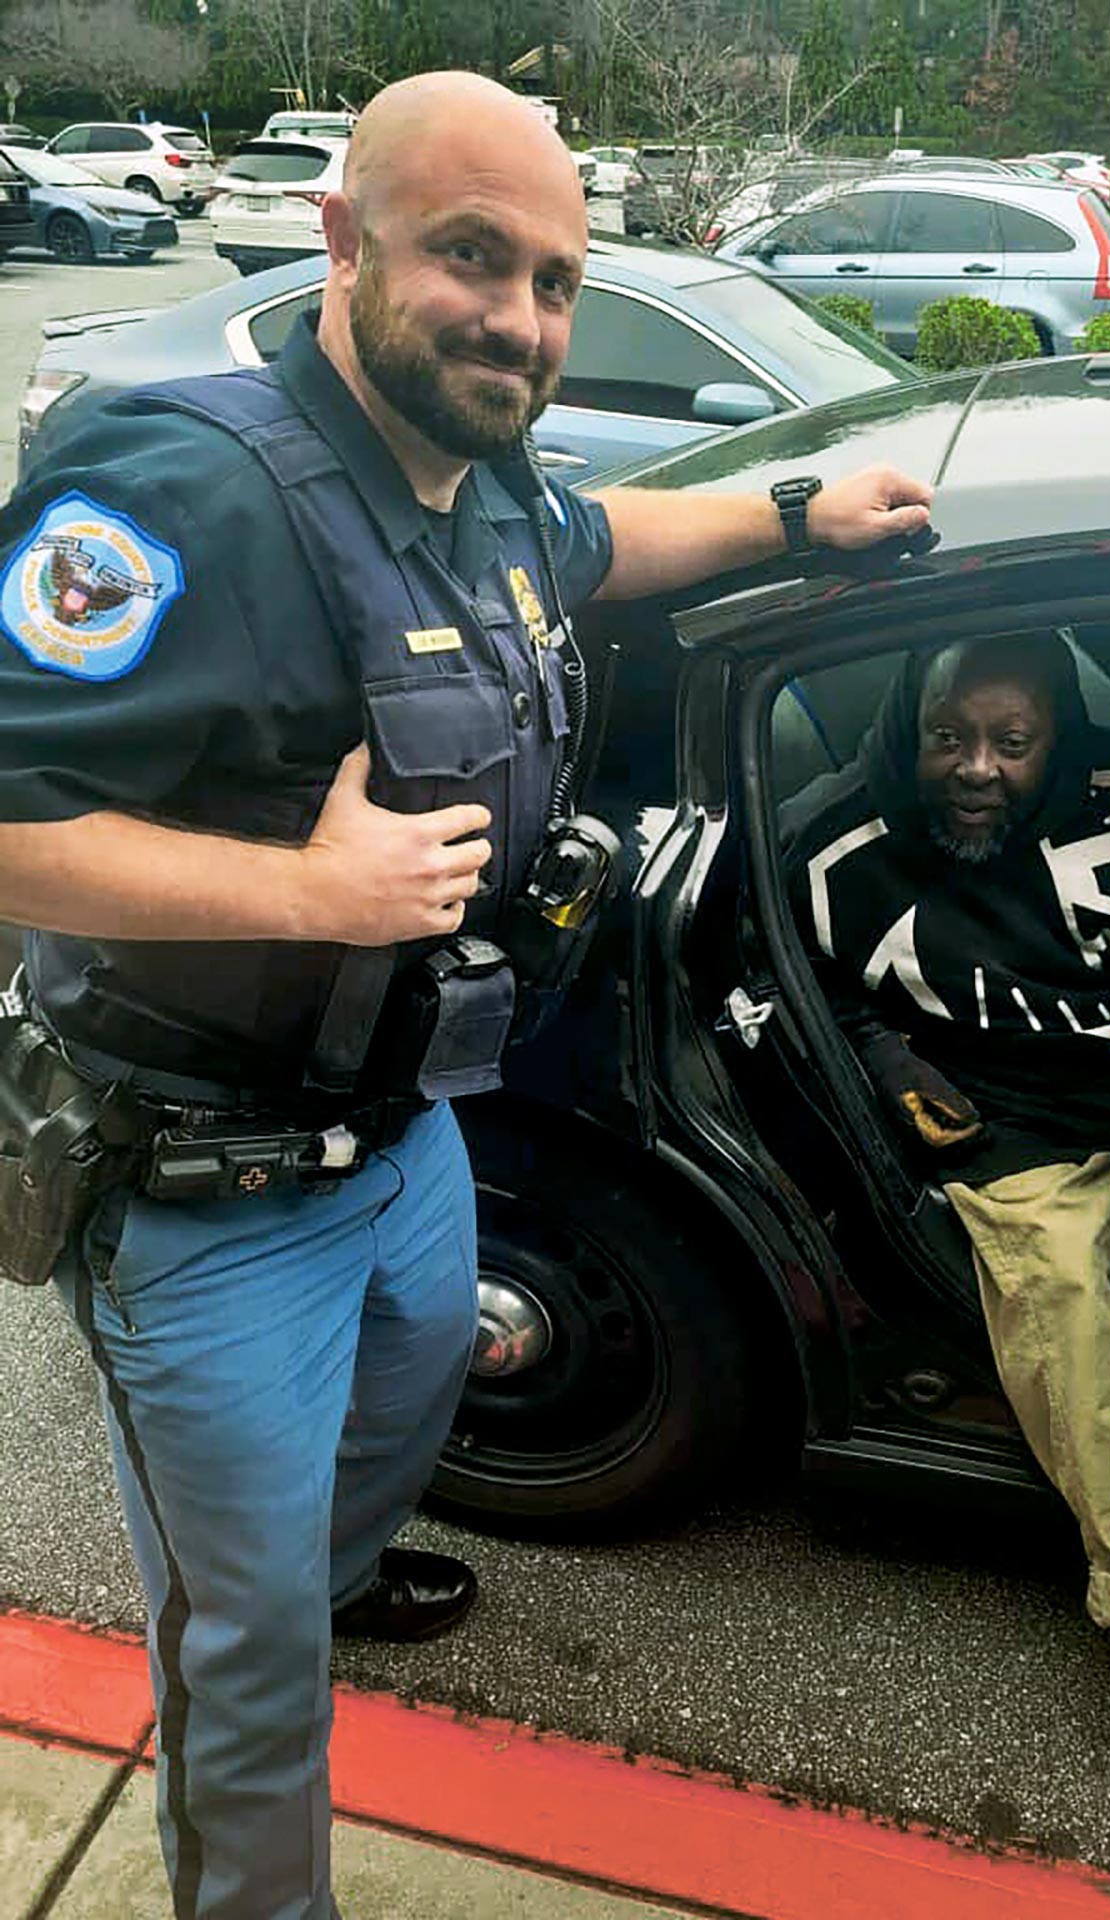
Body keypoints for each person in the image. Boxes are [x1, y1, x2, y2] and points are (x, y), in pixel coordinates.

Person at [0, 72, 932, 1920]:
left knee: (420, 1386)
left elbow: (607, 546)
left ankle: (325, 1566)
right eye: (472, 258)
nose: (519, 318)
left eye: (556, 281)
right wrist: (310, 893)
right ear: (343, 242)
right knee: (244, 1665)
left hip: (408, 1127)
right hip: (203, 1189)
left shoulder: (481, 480)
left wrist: (795, 510)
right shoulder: (181, 489)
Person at [786, 633, 1110, 1632]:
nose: (977, 769)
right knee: (1067, 1295)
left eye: (1012, 742)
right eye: (947, 737)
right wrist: (889, 1063)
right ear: (909, 729)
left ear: (1059, 736)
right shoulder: (828, 851)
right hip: (1002, 1126)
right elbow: (798, 977)